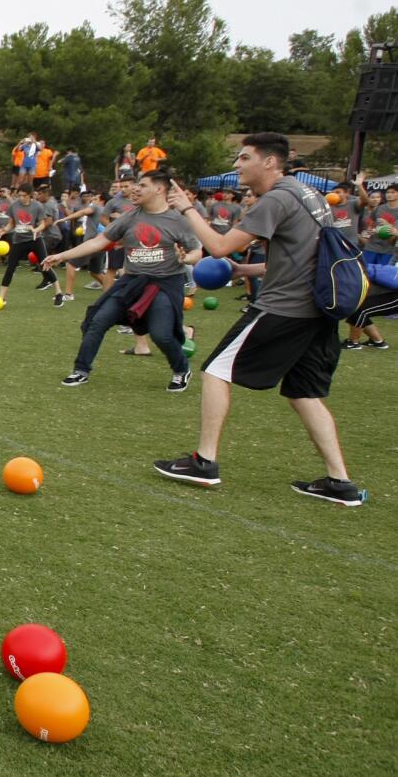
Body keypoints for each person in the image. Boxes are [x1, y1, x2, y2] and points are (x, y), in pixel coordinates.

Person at [153, 133, 366, 506]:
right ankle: (340, 482)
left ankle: (204, 462)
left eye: (244, 157)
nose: (237, 164)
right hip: (317, 312)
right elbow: (303, 260)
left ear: (270, 162)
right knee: (305, 393)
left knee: (216, 371)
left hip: (284, 308)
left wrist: (188, 209)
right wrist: (243, 269)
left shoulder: (278, 198)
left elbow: (217, 247)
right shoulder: (309, 195)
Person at [43, 170, 200, 390]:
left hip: (164, 284)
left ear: (159, 189)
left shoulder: (177, 220)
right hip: (132, 282)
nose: (136, 188)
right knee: (97, 321)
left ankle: (181, 370)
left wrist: (186, 258)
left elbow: (196, 251)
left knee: (162, 334)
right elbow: (99, 241)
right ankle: (81, 370)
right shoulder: (130, 216)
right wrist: (62, 255)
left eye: (142, 185)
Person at [0, 185, 57, 305]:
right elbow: (11, 223)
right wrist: (4, 230)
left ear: (30, 195)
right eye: (19, 195)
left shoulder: (37, 206)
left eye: (24, 195)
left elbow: (43, 223)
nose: (21, 198)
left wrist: (35, 230)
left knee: (45, 264)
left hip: (35, 239)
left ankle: (58, 292)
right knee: (10, 268)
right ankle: (2, 297)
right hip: (19, 240)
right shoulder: (14, 206)